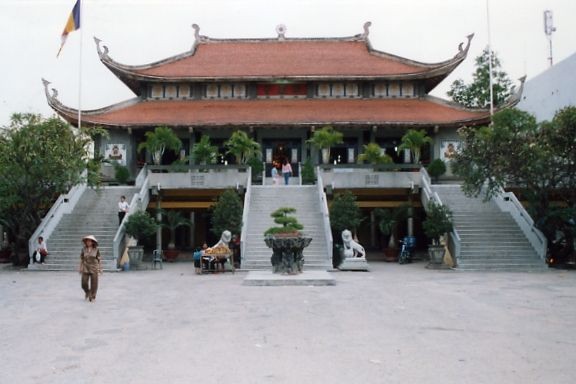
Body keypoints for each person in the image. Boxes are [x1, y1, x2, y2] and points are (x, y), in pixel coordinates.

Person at [79, 235, 102, 302]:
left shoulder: (96, 249)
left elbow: (99, 259)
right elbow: (81, 258)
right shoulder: (83, 249)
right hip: (85, 267)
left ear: (92, 242)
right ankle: (88, 292)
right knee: (83, 283)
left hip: (94, 267)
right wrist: (80, 267)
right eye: (87, 241)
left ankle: (93, 296)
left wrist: (100, 268)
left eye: (89, 241)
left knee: (94, 283)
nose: (88, 242)